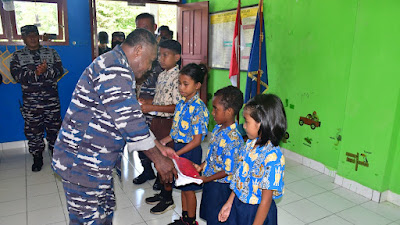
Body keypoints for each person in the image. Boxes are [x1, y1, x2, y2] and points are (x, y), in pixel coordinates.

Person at [51, 28, 177, 225]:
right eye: (151, 60)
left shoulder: (118, 65)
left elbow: (131, 115)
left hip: (96, 162)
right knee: (88, 220)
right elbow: (131, 123)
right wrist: (159, 161)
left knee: (104, 213)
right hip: (82, 164)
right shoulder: (114, 68)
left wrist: (160, 147)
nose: (150, 67)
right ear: (138, 50)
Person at [218, 94, 287, 225]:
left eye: (247, 121)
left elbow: (266, 201)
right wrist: (229, 202)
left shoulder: (273, 158)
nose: (243, 126)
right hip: (240, 205)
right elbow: (240, 177)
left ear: (262, 123)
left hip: (257, 212)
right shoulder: (250, 144)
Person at [160, 63, 210, 225]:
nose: (181, 88)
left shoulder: (199, 108)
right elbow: (176, 131)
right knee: (182, 187)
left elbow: (196, 140)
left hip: (190, 152)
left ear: (197, 86)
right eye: (179, 83)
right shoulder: (181, 104)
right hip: (179, 149)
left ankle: (191, 221)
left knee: (189, 191)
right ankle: (184, 218)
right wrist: (166, 140)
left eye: (185, 84)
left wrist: (177, 155)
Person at [10, 24, 63, 172]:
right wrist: (36, 73)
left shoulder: (51, 52)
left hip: (51, 101)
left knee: (55, 129)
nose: (33, 38)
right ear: (23, 38)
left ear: (39, 36)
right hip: (31, 103)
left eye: (35, 34)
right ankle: (37, 157)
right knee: (34, 131)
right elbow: (16, 76)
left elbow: (59, 70)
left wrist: (46, 71)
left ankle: (56, 154)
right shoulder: (17, 56)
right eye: (29, 36)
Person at [193, 86, 244, 225]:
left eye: (216, 109)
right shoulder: (217, 129)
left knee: (218, 218)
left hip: (221, 188)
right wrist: (201, 166)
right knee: (210, 216)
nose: (212, 112)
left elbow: (228, 170)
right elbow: (213, 155)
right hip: (210, 181)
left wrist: (207, 178)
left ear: (229, 112)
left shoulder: (233, 139)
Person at [143, 40, 182, 214]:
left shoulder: (179, 78)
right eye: (160, 55)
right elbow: (160, 101)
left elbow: (177, 107)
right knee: (158, 157)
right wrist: (147, 103)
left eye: (165, 55)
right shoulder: (162, 75)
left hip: (169, 124)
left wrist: (151, 107)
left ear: (177, 57)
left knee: (166, 159)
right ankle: (161, 192)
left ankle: (168, 197)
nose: (161, 58)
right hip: (157, 121)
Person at [132, 13, 164, 189]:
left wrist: (154, 101)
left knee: (157, 140)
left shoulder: (164, 51)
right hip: (139, 104)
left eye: (145, 28)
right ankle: (147, 170)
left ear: (154, 27)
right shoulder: (134, 50)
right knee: (139, 138)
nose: (142, 32)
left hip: (158, 105)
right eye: (138, 29)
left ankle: (161, 174)